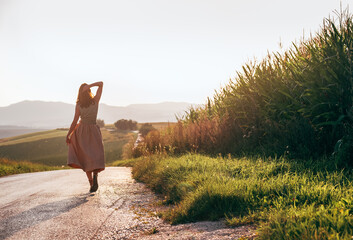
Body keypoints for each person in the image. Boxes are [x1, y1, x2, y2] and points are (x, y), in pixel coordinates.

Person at [66, 81, 105, 193]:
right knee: (95, 154)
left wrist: (68, 134)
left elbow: (74, 121)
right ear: (88, 91)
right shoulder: (95, 101)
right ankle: (96, 174)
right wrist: (90, 86)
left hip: (82, 131)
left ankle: (91, 182)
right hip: (94, 130)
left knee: (85, 157)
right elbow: (101, 84)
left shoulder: (79, 105)